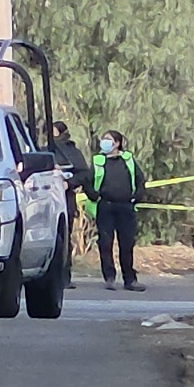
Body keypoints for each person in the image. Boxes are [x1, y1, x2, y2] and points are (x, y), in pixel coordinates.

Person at [83, 130, 147, 292]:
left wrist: (137, 196)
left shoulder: (128, 159)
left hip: (126, 207)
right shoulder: (98, 160)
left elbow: (140, 179)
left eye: (108, 139)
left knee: (126, 244)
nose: (104, 142)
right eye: (103, 139)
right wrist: (94, 196)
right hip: (105, 207)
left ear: (117, 143)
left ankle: (130, 280)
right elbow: (87, 181)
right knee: (105, 243)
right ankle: (109, 278)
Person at [50, 121, 90, 289]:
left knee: (65, 237)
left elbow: (84, 173)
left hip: (66, 199)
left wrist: (70, 182)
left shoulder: (72, 152)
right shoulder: (44, 149)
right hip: (47, 198)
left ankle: (65, 275)